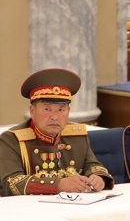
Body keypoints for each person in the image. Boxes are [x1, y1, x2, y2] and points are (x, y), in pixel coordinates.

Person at [0, 68, 113, 197]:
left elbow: (92, 165)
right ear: (32, 111)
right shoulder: (11, 140)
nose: (54, 117)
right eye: (47, 109)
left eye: (61, 110)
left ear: (68, 111)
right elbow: (11, 183)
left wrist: (98, 178)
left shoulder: (77, 136)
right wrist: (58, 185)